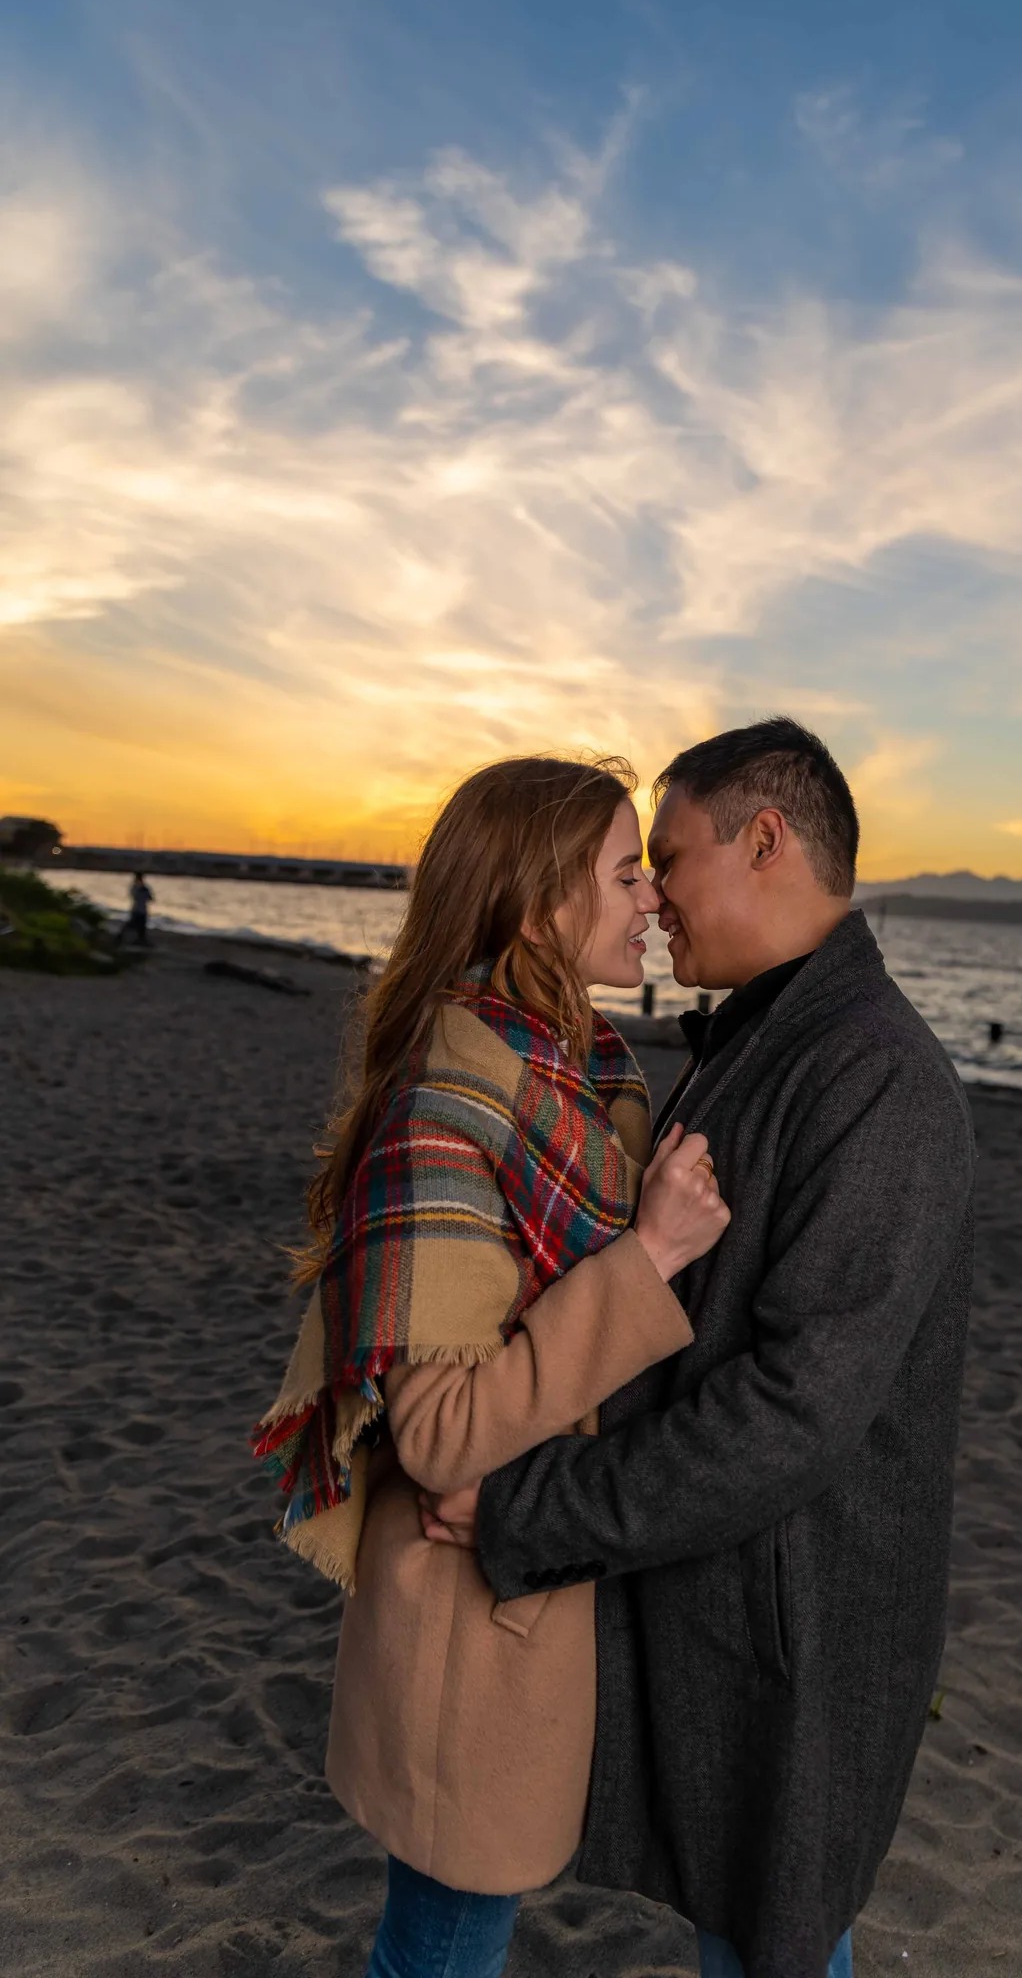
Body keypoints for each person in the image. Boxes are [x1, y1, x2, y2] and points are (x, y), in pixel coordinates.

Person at [422, 719, 976, 1978]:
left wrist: (533, 1503)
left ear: (764, 839)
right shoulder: (767, 1040)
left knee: (775, 1942)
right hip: (725, 1598)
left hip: (800, 1631)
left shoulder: (877, 1080)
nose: (654, 894)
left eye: (666, 855)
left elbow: (795, 1410)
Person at [252, 754, 730, 1978]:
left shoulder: (579, 1077)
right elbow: (442, 1431)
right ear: (534, 908)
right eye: (625, 872)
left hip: (539, 1577)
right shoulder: (450, 1105)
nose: (650, 900)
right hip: (470, 1626)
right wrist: (651, 1258)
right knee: (441, 1945)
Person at [119, 870, 153, 946]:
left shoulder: (145, 888)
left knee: (141, 927)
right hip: (137, 909)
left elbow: (150, 898)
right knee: (131, 924)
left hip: (142, 910)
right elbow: (134, 896)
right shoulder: (135, 888)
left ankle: (141, 940)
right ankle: (120, 937)